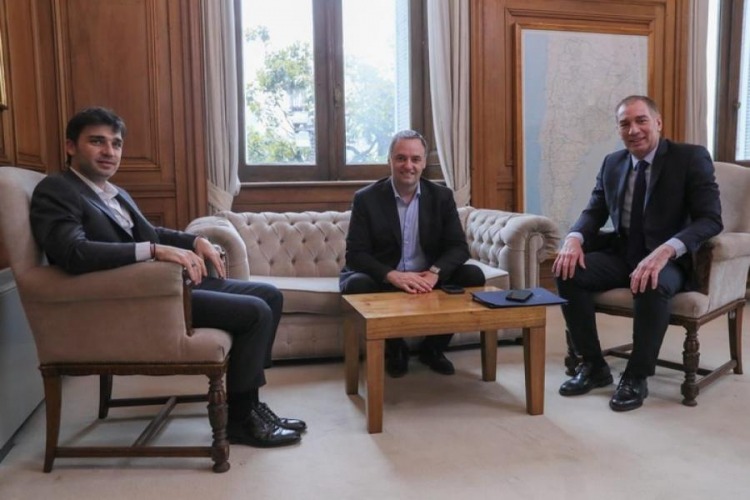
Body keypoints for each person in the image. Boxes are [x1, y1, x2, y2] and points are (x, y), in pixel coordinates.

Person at [30, 107, 306, 447]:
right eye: (97, 142)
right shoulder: (57, 190)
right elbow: (73, 252)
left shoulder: (114, 192)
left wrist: (194, 241)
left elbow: (151, 232)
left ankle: (248, 403)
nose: (109, 151)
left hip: (161, 289)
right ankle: (240, 419)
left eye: (116, 143)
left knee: (270, 295)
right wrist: (154, 250)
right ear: (71, 146)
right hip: (132, 301)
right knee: (255, 312)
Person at [552, 95, 722, 412]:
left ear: (658, 122)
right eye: (625, 123)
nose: (633, 130)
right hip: (624, 253)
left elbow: (710, 219)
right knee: (567, 271)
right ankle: (593, 365)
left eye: (641, 120)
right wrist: (574, 238)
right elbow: (594, 211)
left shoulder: (690, 158)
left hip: (670, 260)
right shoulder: (612, 163)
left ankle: (636, 376)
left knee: (650, 282)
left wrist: (667, 249)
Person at [340, 129, 485, 378]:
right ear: (389, 160)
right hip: (387, 277)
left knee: (473, 275)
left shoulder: (441, 197)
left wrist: (434, 273)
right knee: (356, 284)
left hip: (427, 276)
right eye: (401, 158)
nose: (408, 166)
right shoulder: (366, 198)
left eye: (415, 159)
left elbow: (458, 247)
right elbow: (356, 254)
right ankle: (396, 349)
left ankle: (434, 348)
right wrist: (392, 275)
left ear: (424, 163)